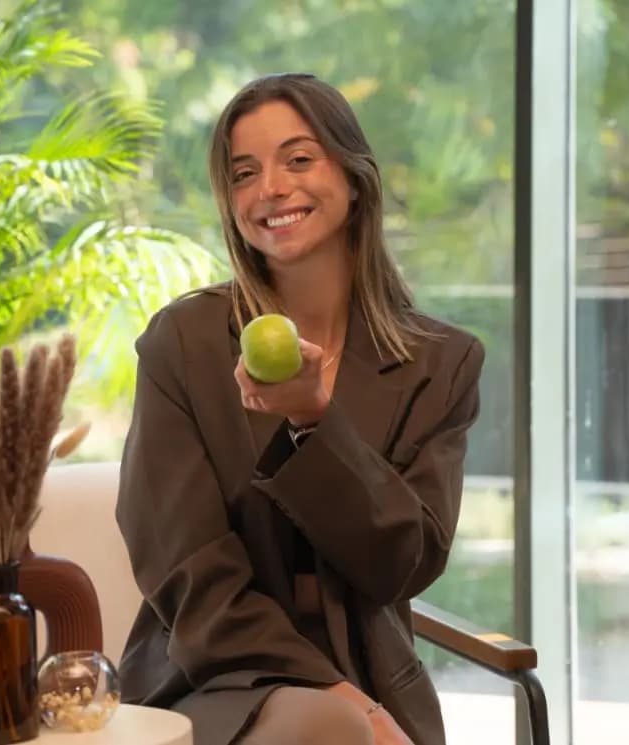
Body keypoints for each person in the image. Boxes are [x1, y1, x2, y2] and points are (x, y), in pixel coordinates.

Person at [115, 73, 485, 745]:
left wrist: (316, 421)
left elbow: (406, 560)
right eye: (245, 172)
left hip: (373, 669)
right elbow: (189, 573)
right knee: (328, 725)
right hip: (210, 676)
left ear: (353, 175)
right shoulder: (183, 343)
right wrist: (346, 701)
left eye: (298, 159)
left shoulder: (442, 362)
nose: (272, 189)